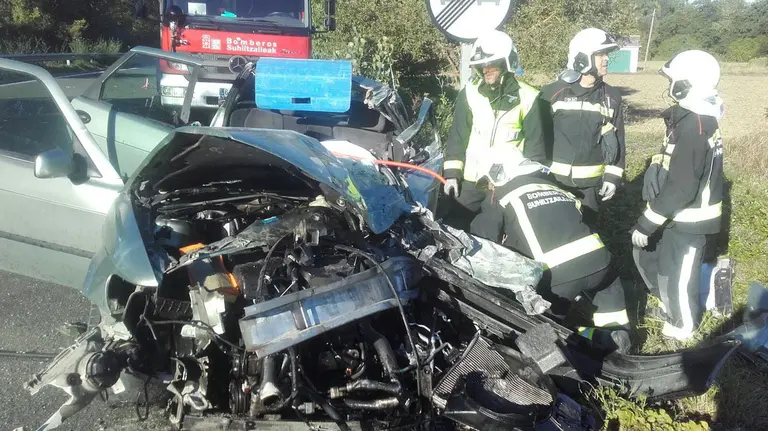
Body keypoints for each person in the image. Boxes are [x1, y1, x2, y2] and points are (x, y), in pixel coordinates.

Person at [469, 148, 631, 353]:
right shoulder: (553, 186)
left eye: (488, 182)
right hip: (601, 263)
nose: (489, 187)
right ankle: (615, 336)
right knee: (609, 296)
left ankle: (574, 341)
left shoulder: (500, 196)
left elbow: (482, 236)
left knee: (541, 333)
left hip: (557, 277)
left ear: (498, 174)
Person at [630, 50, 726, 341]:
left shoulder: (695, 126)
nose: (670, 87)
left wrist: (647, 222)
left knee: (681, 275)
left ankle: (682, 326)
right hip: (678, 215)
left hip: (689, 219)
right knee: (668, 267)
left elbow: (683, 186)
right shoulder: (694, 119)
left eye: (673, 81)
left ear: (686, 84)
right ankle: (670, 309)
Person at [441, 29, 550, 231]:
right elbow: (458, 135)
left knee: (489, 232)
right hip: (471, 180)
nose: (486, 69)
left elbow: (535, 150)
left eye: (491, 64)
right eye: (482, 65)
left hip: (505, 183)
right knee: (451, 226)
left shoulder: (529, 97)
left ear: (506, 63)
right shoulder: (470, 93)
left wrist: (526, 184)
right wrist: (452, 174)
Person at [539, 28, 625, 226]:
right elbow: (537, 139)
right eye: (600, 54)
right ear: (582, 58)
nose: (606, 59)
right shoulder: (552, 93)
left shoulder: (611, 97)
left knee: (587, 233)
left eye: (606, 54)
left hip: (591, 188)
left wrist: (612, 177)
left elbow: (619, 140)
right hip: (553, 183)